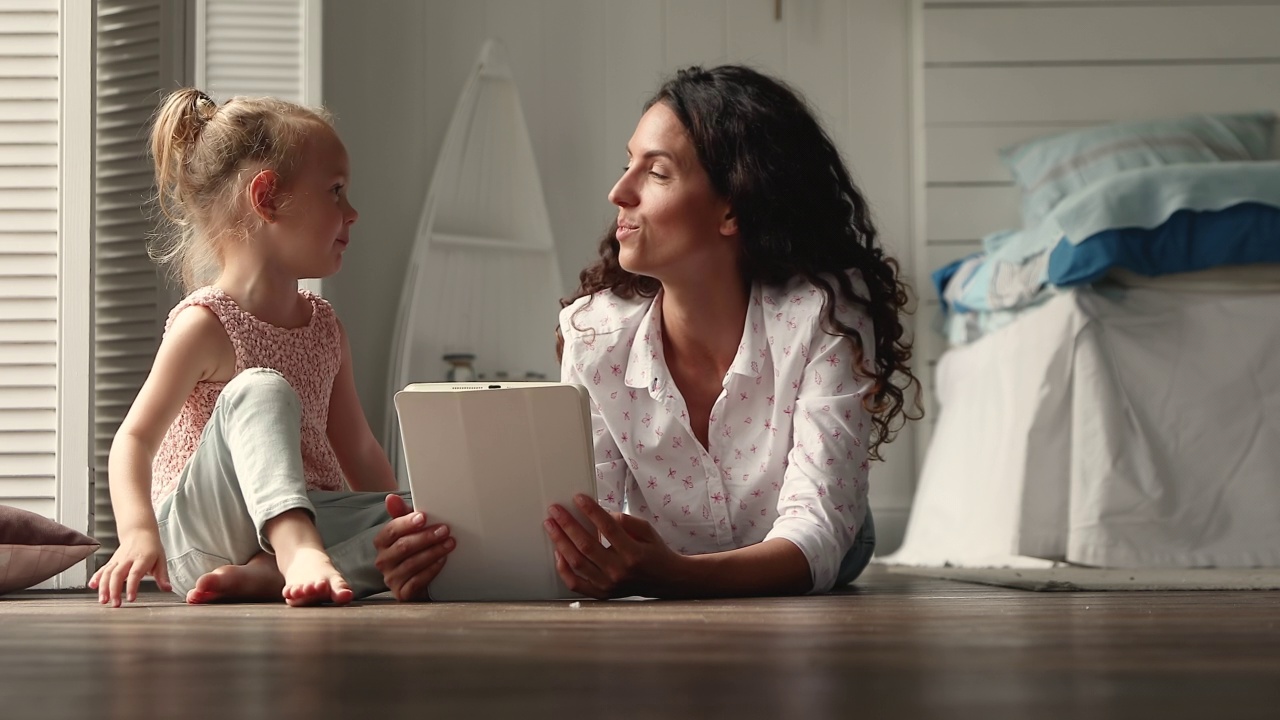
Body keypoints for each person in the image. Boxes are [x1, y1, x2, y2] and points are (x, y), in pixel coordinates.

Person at [543, 64, 921, 599]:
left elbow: (816, 533)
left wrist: (673, 576)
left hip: (813, 542)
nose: (618, 192)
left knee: (838, 530)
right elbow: (587, 522)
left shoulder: (822, 313)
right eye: (628, 164)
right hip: (665, 556)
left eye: (657, 172)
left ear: (733, 208)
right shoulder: (593, 334)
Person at [89, 89, 455, 607]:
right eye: (335, 191)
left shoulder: (324, 327)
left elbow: (360, 451)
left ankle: (273, 572)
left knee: (440, 522)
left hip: (312, 512)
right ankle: (295, 552)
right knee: (261, 388)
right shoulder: (205, 323)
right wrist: (138, 532)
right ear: (266, 198)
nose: (352, 212)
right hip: (205, 529)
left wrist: (406, 521)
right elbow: (134, 440)